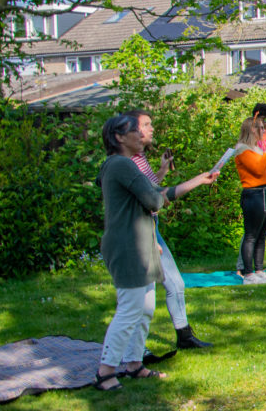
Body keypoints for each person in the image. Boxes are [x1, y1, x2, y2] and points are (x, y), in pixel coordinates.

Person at [93, 114, 218, 391]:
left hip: (143, 244)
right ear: (118, 137)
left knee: (146, 309)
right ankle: (105, 372)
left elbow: (158, 195)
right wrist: (156, 198)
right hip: (129, 248)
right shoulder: (121, 165)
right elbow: (153, 200)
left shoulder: (121, 165)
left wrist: (198, 180)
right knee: (129, 310)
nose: (142, 135)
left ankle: (134, 365)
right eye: (135, 131)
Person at [123, 110, 211, 350]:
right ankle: (135, 353)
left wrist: (162, 169)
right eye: (146, 125)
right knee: (143, 297)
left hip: (151, 226)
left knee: (175, 284)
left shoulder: (139, 157)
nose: (152, 129)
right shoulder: (126, 163)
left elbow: (154, 188)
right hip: (139, 229)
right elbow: (156, 196)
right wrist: (197, 180)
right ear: (129, 131)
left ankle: (184, 336)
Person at [235, 104, 266, 273]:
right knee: (252, 232)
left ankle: (259, 270)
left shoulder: (257, 147)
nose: (265, 128)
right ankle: (246, 270)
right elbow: (257, 169)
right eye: (263, 124)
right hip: (254, 193)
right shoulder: (244, 149)